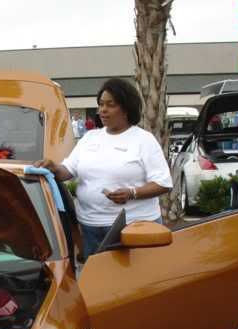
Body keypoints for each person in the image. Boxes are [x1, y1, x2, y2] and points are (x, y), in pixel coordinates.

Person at [35, 77, 173, 259]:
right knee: (97, 276)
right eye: (100, 104)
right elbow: (67, 171)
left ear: (126, 108)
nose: (102, 110)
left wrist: (132, 193)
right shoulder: (90, 138)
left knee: (131, 276)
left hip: (133, 228)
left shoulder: (143, 140)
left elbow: (163, 183)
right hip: (90, 228)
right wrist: (53, 167)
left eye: (110, 105)